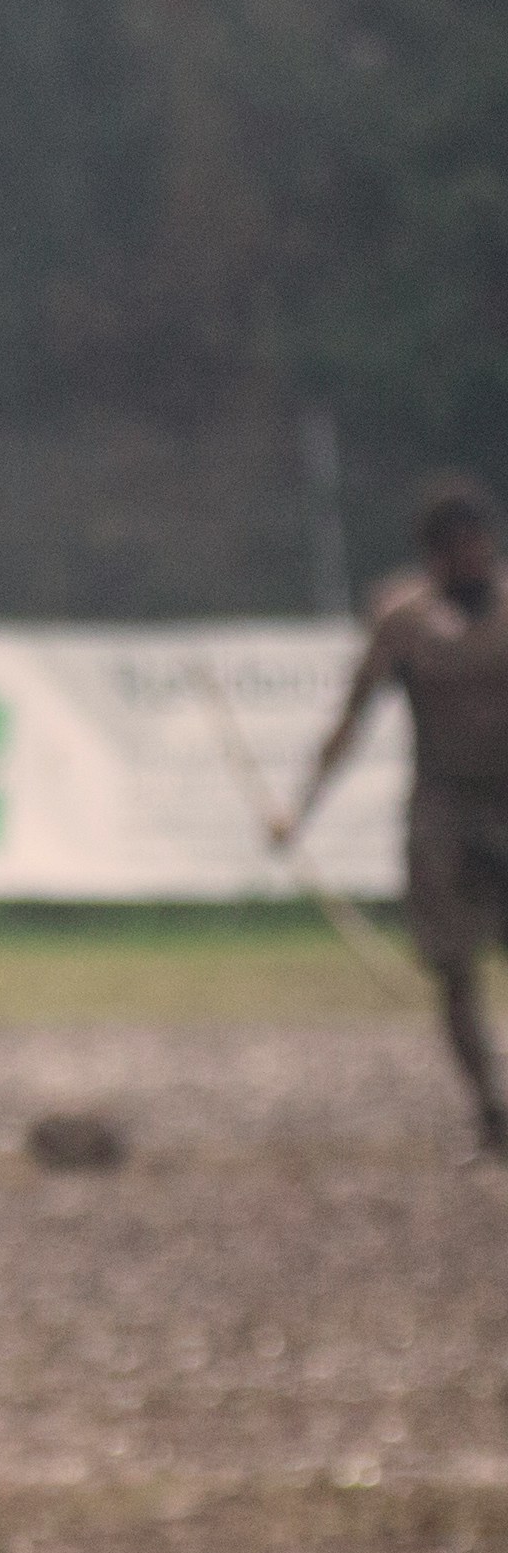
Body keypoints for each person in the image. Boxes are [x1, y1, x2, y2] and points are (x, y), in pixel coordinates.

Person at [286, 476, 508, 1160]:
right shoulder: (404, 620)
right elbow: (353, 716)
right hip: (442, 803)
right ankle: (491, 1116)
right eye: (448, 550)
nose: (463, 560)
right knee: (451, 964)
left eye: (471, 545)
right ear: (431, 556)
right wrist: (302, 809)